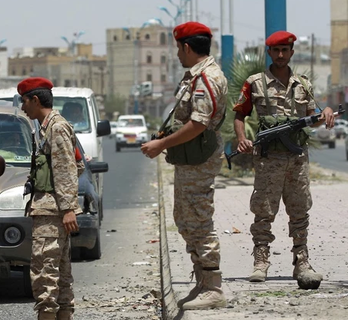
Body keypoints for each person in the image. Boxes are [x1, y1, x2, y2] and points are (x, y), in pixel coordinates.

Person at [232, 31, 335, 289]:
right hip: (268, 159)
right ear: (269, 52)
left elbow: (314, 116)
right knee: (264, 211)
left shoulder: (303, 84)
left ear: (291, 52)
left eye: (285, 50)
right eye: (276, 50)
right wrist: (242, 138)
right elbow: (239, 115)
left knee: (300, 211)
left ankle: (302, 261)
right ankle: (261, 260)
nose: (280, 55)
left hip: (297, 158)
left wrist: (328, 113)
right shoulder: (255, 83)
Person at [141, 21, 228, 310]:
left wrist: (161, 145)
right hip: (190, 161)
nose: (177, 54)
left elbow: (198, 124)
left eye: (178, 48)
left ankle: (213, 288)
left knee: (199, 220)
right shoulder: (194, 77)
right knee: (184, 217)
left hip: (199, 162)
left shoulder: (206, 78)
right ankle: (202, 282)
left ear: (187, 47)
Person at [18, 77, 85, 320]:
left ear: (35, 100)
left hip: (51, 214)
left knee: (45, 277)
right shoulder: (49, 126)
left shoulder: (56, 127)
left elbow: (68, 167)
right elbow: (77, 163)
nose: (22, 107)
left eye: (23, 101)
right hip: (53, 211)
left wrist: (66, 208)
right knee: (60, 276)